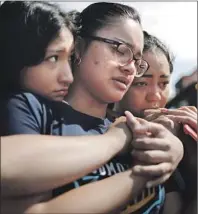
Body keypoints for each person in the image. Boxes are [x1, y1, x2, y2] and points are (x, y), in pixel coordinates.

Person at [1, 2, 184, 213]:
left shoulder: (139, 131)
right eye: (119, 49)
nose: (130, 67)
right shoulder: (33, 110)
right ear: (78, 46)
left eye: (136, 59)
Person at [115, 31, 197, 214]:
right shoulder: (97, 134)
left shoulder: (177, 135)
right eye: (142, 83)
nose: (155, 96)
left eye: (164, 83)